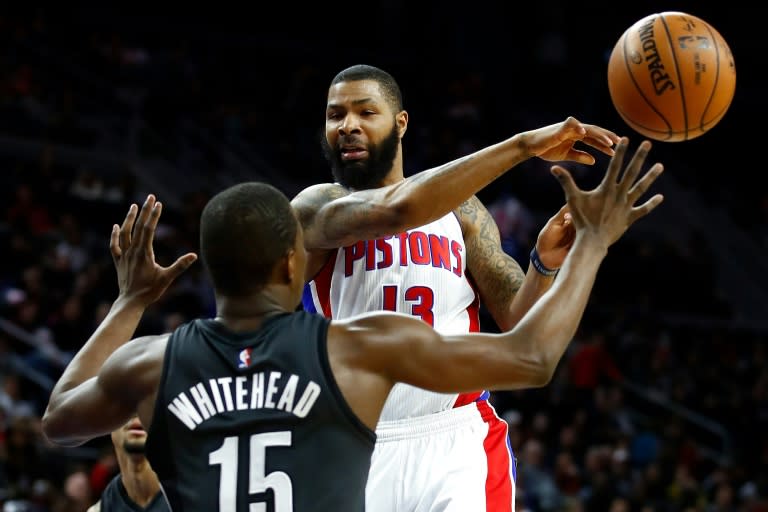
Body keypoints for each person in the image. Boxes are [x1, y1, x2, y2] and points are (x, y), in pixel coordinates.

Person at [41, 136, 662, 512]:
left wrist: (129, 301)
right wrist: (594, 243)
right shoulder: (350, 353)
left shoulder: (157, 362)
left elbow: (60, 419)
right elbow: (532, 357)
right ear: (295, 261)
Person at [291, 64, 620, 511]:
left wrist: (543, 263)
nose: (348, 126)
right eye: (335, 116)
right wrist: (524, 146)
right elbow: (399, 209)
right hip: (356, 443)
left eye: (366, 112)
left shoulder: (463, 210)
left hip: (456, 438)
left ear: (400, 123)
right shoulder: (316, 207)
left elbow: (517, 320)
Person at [86, 416, 168, 512]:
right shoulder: (101, 508)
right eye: (126, 405)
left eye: (148, 403)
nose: (137, 413)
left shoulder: (187, 494)